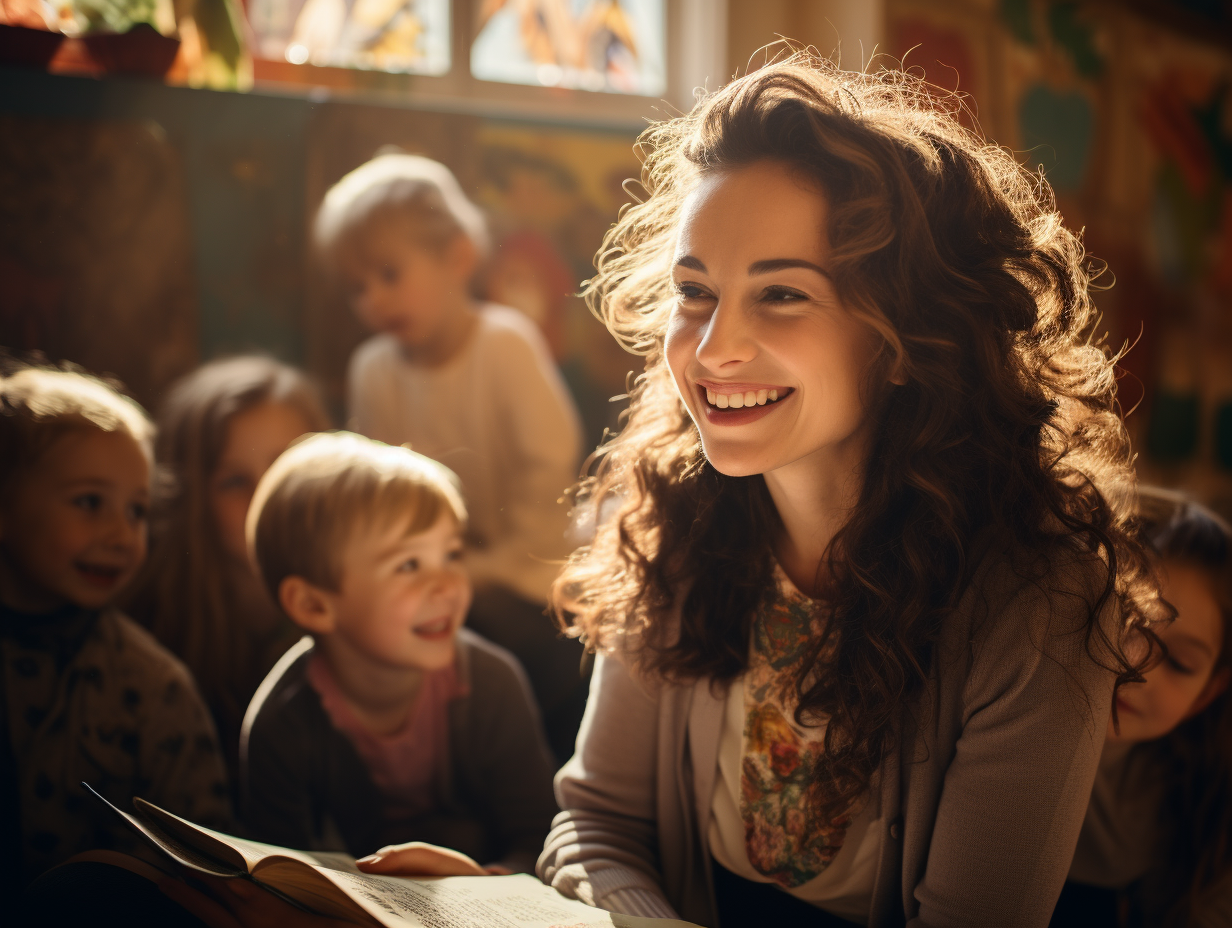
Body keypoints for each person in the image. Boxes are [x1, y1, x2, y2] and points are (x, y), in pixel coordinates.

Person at [534, 53, 1160, 927]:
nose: (713, 349)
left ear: (909, 336)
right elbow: (599, 824)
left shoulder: (1037, 605)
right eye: (694, 291)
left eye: (782, 294)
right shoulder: (670, 516)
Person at [316, 152, 587, 762]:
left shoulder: (506, 343)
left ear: (458, 257)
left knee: (532, 649)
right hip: (427, 570)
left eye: (389, 274)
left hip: (527, 563)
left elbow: (548, 466)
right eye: (357, 287)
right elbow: (378, 493)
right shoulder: (373, 369)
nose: (373, 299)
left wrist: (489, 566)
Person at [239, 432, 558, 874]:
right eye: (409, 565)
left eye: (451, 554)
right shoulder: (283, 724)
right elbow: (278, 873)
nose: (447, 585)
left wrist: (486, 884)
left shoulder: (492, 684)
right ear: (314, 605)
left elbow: (539, 838)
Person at [0, 362, 230, 891]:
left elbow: (207, 856)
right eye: (89, 502)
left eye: (137, 511)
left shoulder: (152, 686)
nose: (123, 536)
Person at [126, 356, 331, 785]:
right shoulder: (150, 641)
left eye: (286, 469)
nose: (266, 498)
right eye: (235, 482)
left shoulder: (370, 610)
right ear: (193, 502)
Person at [1052, 488, 1232, 928]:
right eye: (1125, 622)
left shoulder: (1209, 820)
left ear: (1206, 694)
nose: (1137, 666)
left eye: (1180, 662)